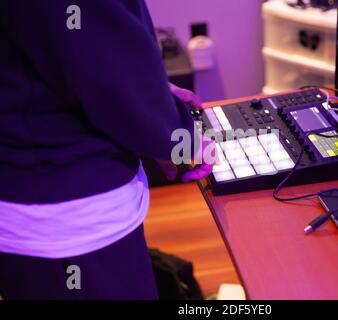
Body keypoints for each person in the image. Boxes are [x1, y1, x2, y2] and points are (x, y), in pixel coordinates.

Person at [0, 0, 213, 299]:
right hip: (65, 219)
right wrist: (179, 135)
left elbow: (69, 51)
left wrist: (154, 98)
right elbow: (109, 77)